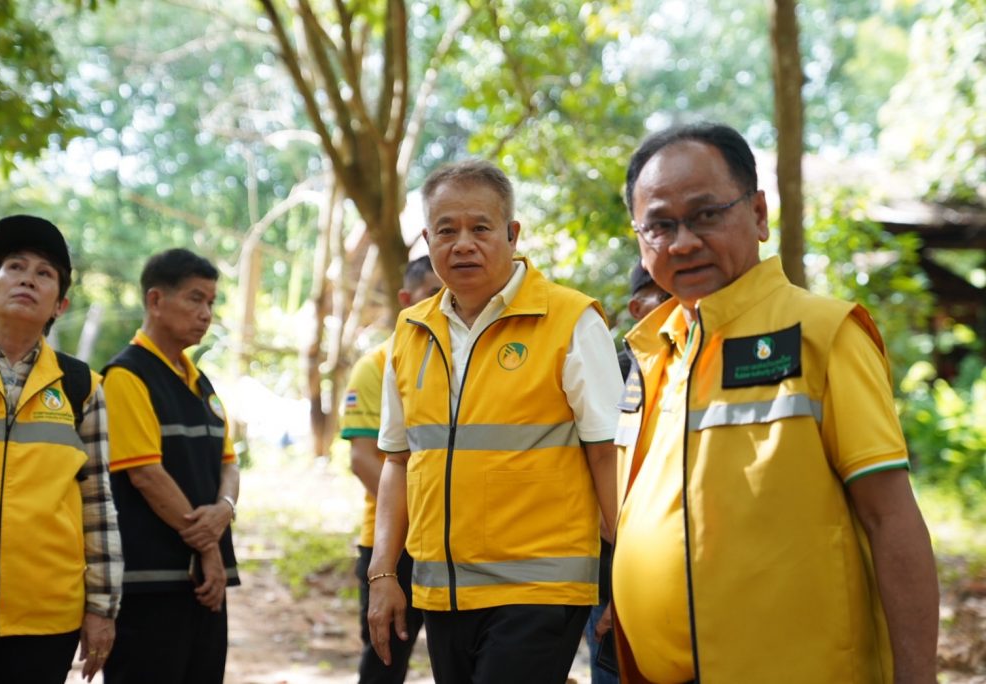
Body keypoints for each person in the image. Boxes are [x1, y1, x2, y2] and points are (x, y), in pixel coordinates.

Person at [611, 122, 939, 683]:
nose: (683, 242)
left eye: (706, 215)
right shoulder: (652, 352)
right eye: (661, 226)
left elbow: (890, 517)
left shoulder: (822, 334)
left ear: (759, 214)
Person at [367, 159, 624, 684]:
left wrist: (626, 579)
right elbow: (397, 461)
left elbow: (608, 456)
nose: (463, 244)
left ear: (512, 234)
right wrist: (382, 573)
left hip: (540, 591)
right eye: (447, 231)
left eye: (480, 228)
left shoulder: (571, 321)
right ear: (427, 240)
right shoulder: (410, 331)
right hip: (443, 594)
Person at [0, 215, 122, 683]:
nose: (28, 279)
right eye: (15, 266)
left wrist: (102, 607)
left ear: (60, 305)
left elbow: (98, 502)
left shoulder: (81, 386)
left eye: (44, 273)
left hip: (46, 616)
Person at [102, 248, 239, 684]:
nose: (206, 314)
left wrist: (226, 508)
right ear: (156, 300)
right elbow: (145, 474)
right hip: (151, 581)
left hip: (205, 583)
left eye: (211, 302)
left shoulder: (200, 382)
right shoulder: (126, 376)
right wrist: (209, 547)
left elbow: (229, 463)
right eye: (195, 299)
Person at [341, 255, 441, 684]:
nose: (442, 301)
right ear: (405, 299)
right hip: (392, 542)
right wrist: (417, 514)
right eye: (431, 292)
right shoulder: (377, 366)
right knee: (385, 660)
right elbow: (363, 458)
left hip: (452, 542)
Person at [586, 261, 670, 684]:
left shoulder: (700, 365)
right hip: (612, 573)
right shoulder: (613, 372)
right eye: (666, 297)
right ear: (638, 307)